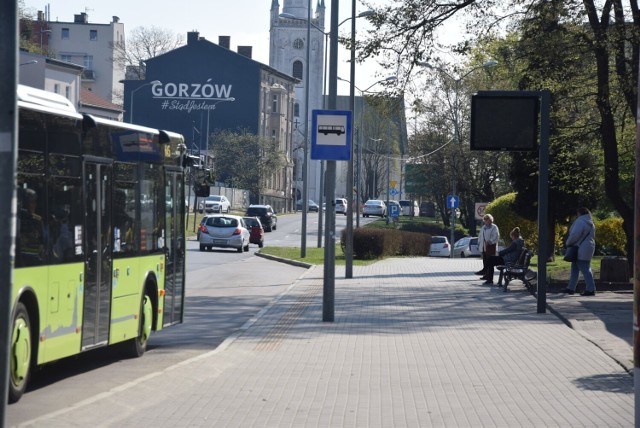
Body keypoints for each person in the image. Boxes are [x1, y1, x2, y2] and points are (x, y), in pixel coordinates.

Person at [561, 207, 597, 296]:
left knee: (584, 268)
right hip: (588, 246)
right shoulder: (591, 223)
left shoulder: (580, 221)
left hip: (580, 247)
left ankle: (591, 289)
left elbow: (575, 234)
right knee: (575, 268)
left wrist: (568, 242)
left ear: (579, 213)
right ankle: (571, 287)